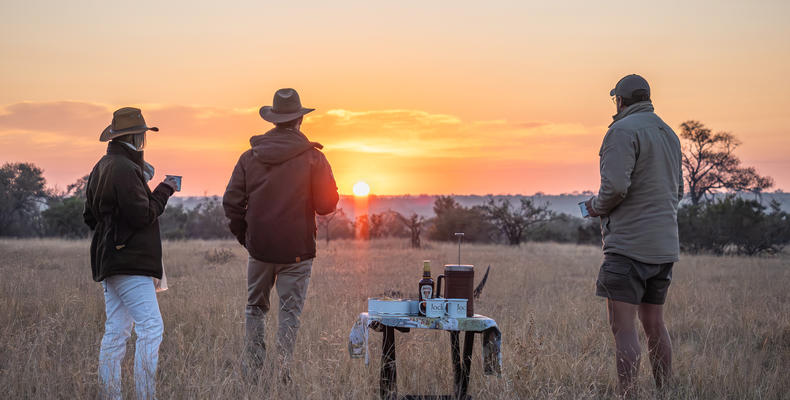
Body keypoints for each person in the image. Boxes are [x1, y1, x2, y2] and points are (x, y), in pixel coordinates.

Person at [223, 88, 339, 381]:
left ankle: (254, 372)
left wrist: (247, 239)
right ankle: (283, 374)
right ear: (299, 119)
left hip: (259, 249)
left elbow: (231, 203)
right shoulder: (313, 158)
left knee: (254, 309)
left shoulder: (249, 157)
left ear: (274, 120)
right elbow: (327, 206)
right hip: (298, 250)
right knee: (289, 313)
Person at [583, 74, 683, 396]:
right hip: (664, 248)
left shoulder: (620, 131)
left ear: (620, 101)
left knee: (623, 329)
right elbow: (677, 190)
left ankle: (627, 395)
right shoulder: (668, 133)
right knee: (655, 325)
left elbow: (614, 189)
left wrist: (596, 206)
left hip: (627, 248)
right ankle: (664, 392)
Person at [83, 107, 178, 400]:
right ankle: (145, 395)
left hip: (110, 260)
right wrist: (165, 189)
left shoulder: (104, 165)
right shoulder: (124, 169)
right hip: (129, 262)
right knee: (151, 328)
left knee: (117, 331)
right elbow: (142, 214)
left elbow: (90, 216)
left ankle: (111, 394)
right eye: (142, 135)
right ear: (136, 136)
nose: (143, 141)